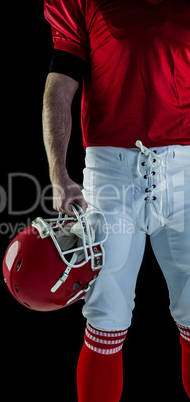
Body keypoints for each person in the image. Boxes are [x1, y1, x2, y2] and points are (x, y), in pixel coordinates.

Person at [42, 0, 190, 401]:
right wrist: (59, 175)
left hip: (186, 167)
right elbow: (60, 85)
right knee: (105, 315)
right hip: (110, 172)